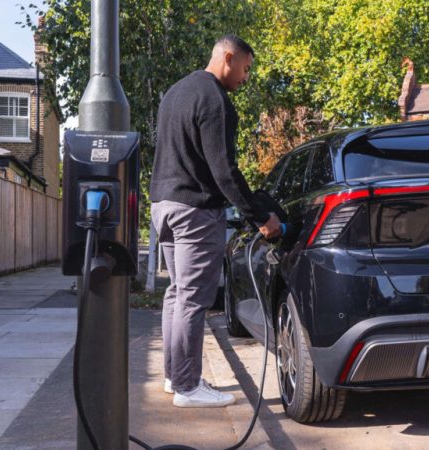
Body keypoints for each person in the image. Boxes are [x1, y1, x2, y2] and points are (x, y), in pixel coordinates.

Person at [149, 34, 282, 408]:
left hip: (163, 205)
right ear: (228, 58)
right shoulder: (215, 101)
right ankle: (189, 387)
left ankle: (175, 378)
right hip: (194, 210)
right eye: (246, 68)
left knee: (177, 294)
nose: (246, 77)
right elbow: (224, 171)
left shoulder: (176, 92)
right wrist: (259, 216)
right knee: (193, 298)